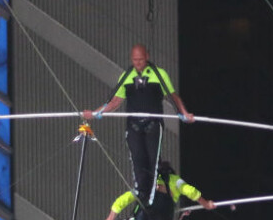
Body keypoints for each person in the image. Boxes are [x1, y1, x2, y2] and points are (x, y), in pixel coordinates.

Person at [83, 45, 194, 206]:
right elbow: (114, 103)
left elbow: (173, 97)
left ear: (147, 56)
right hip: (133, 126)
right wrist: (94, 113)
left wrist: (184, 113)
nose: (138, 63)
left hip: (153, 125)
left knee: (152, 161)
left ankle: (153, 197)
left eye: (141, 59)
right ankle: (142, 196)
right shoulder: (126, 76)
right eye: (135, 60)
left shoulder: (159, 74)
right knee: (138, 161)